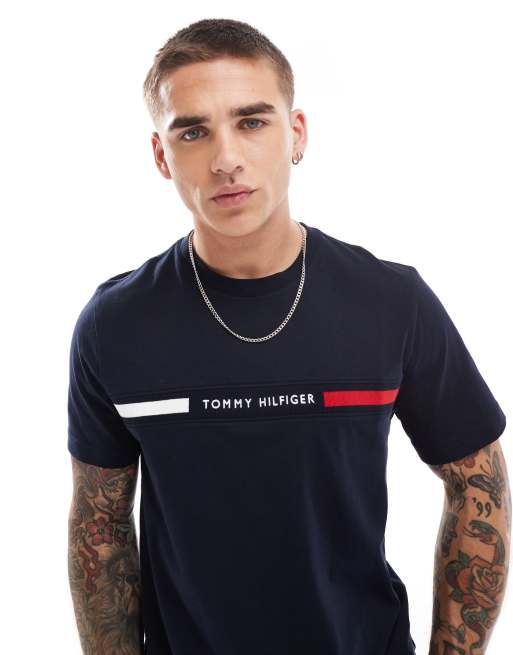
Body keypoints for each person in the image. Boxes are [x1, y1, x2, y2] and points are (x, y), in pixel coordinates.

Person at [67, 17, 510, 655]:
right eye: (193, 131)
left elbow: (478, 485)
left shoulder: (391, 302)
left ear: (295, 133)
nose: (226, 159)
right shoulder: (115, 325)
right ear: (162, 156)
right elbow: (101, 526)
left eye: (251, 121)